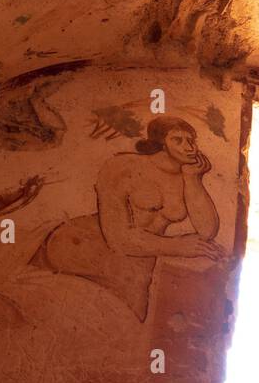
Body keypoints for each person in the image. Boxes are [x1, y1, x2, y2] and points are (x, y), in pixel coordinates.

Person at [31, 117, 223, 321]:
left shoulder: (187, 177)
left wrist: (193, 179)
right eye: (178, 140)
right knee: (41, 311)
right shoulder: (123, 166)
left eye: (191, 140)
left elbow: (207, 231)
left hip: (134, 266)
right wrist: (179, 246)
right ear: (161, 143)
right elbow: (117, 239)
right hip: (85, 247)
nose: (189, 147)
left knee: (118, 331)